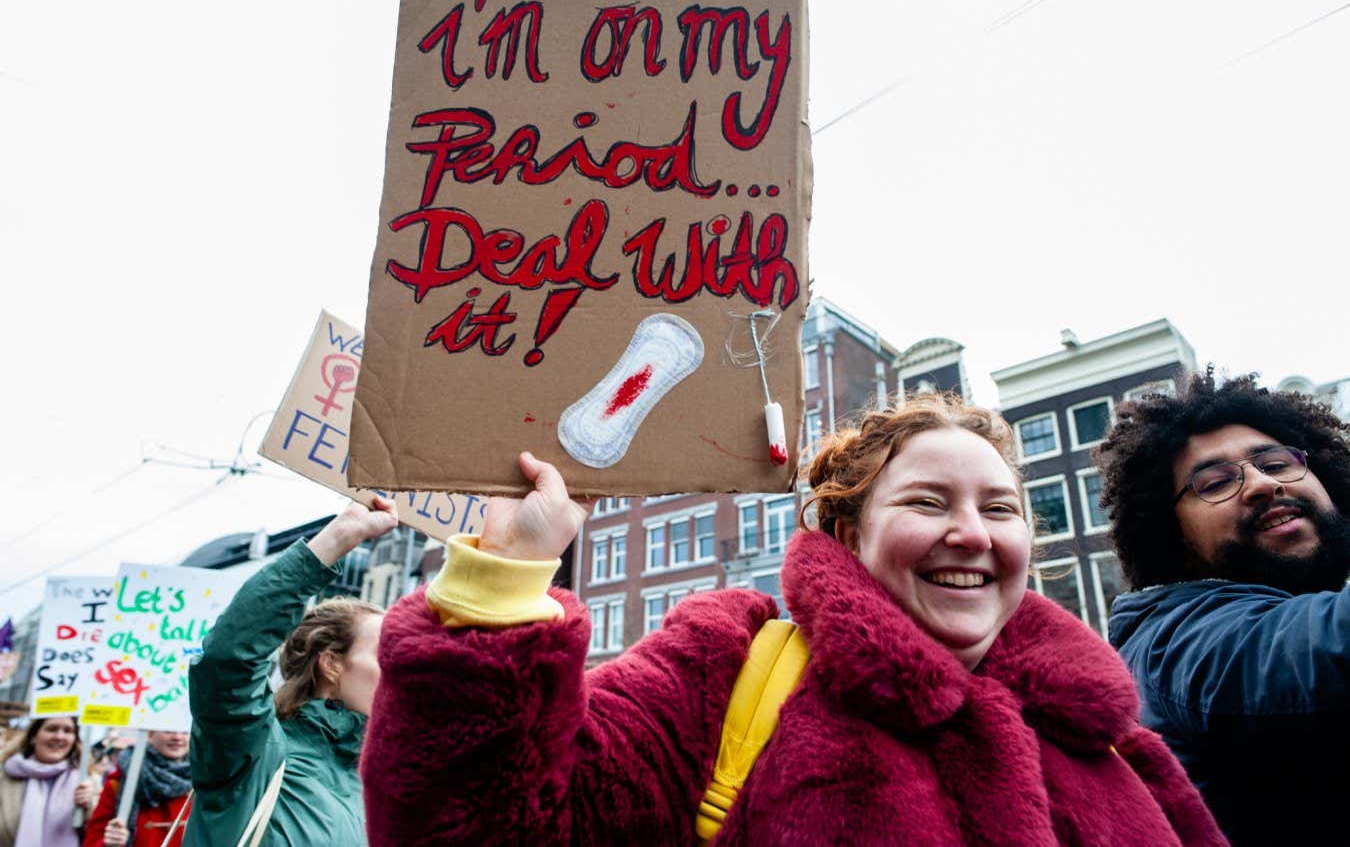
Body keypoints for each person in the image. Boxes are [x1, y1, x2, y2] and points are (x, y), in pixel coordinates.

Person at [362, 393, 1223, 845]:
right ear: (848, 531)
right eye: (929, 500)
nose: (972, 530)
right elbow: (478, 823)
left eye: (1001, 509)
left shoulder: (1109, 737)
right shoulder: (730, 667)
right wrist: (504, 580)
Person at [1097, 372, 1350, 845]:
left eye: (1276, 463)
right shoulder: (1177, 639)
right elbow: (1319, 651)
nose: (1261, 484)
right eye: (1215, 483)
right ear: (1172, 538)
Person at [180, 498, 396, 847]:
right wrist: (337, 539)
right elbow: (229, 659)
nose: (400, 671)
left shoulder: (381, 788)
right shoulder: (251, 753)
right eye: (386, 653)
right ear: (331, 663)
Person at [0, 716, 98, 847]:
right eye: (52, 729)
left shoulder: (87, 782)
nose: (59, 736)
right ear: (33, 737)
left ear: (74, 740)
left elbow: (96, 836)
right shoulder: (5, 775)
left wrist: (89, 807)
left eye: (68, 731)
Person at [83, 730, 192, 847]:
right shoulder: (120, 782)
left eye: (184, 732)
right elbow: (92, 840)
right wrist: (108, 843)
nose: (177, 737)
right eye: (168, 731)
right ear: (150, 734)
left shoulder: (202, 782)